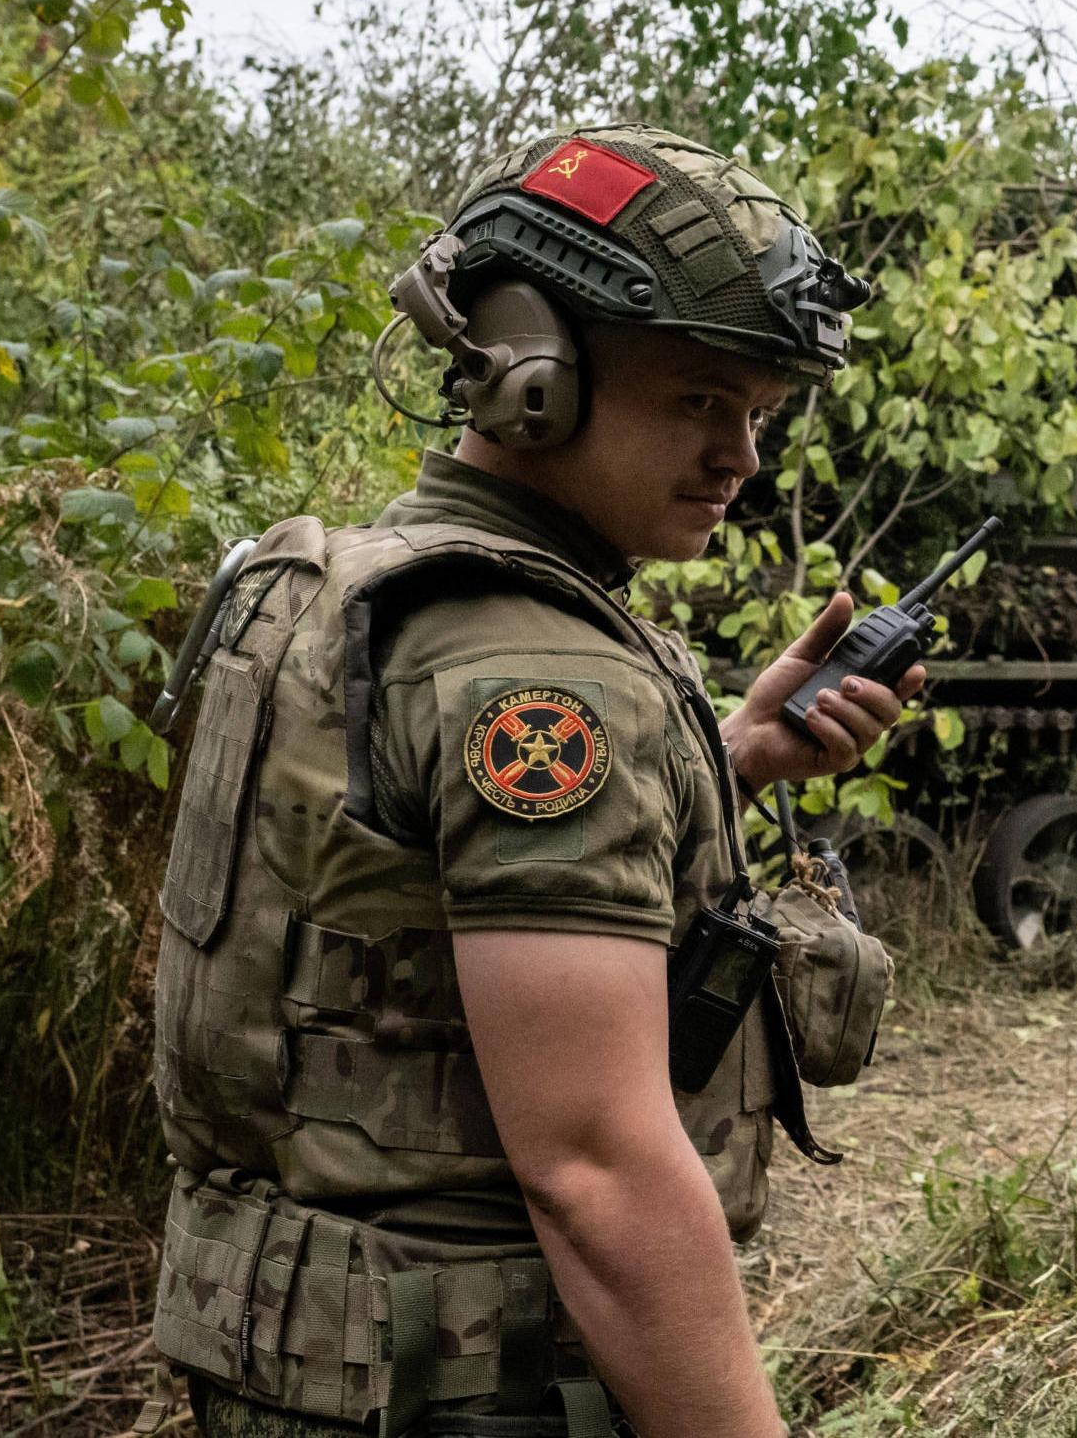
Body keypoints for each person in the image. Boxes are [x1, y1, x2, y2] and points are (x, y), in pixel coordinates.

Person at [147, 126, 908, 1438]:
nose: (742, 457)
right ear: (530, 367)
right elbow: (598, 1178)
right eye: (698, 400)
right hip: (468, 1385)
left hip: (294, 1362)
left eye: (760, 414)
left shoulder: (334, 588)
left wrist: (716, 762)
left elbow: (390, 901)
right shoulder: (537, 676)